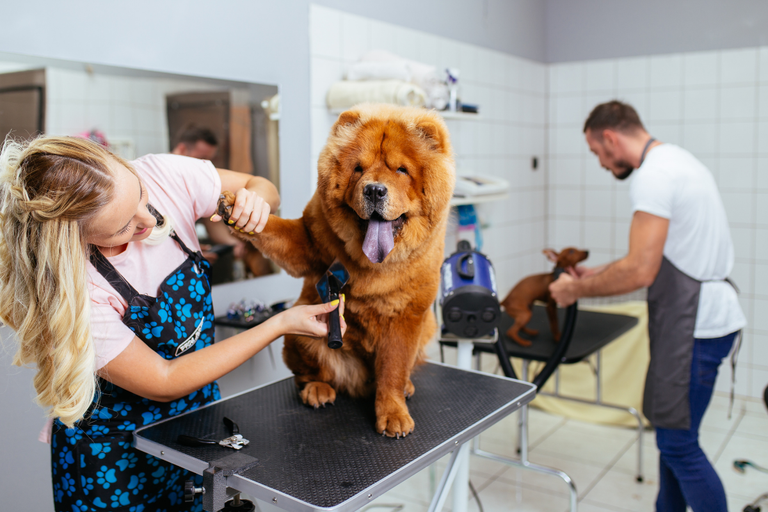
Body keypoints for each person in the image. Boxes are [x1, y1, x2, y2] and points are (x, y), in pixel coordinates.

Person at [0, 135, 345, 511]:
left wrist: (254, 201)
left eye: (141, 198)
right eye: (124, 228)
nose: (149, 219)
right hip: (112, 454)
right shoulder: (74, 288)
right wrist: (278, 324)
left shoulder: (162, 174)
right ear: (75, 239)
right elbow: (163, 380)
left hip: (198, 423)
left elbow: (261, 187)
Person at [550, 100, 746, 512]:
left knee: (678, 444)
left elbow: (640, 270)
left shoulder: (652, 176)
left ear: (610, 137)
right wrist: (595, 272)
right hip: (704, 319)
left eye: (596, 153)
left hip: (696, 326)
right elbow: (663, 256)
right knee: (671, 439)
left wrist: (574, 292)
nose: (602, 163)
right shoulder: (679, 161)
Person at [171, 123, 248, 267]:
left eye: (209, 161)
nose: (205, 167)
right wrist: (184, 254)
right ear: (181, 149)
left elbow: (211, 219)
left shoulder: (196, 180)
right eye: (201, 158)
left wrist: (233, 243)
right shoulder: (160, 178)